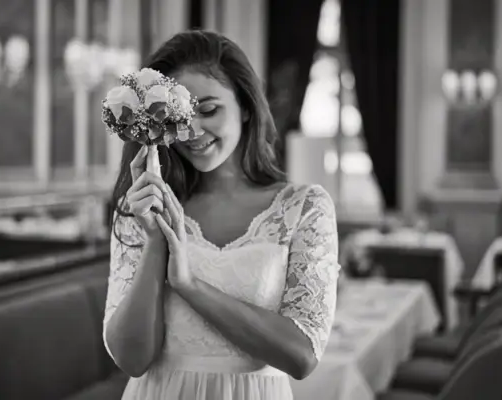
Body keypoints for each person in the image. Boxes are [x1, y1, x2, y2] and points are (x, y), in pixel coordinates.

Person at [103, 30, 340, 400]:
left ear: (245, 106)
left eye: (209, 109)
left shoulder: (304, 207)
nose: (193, 130)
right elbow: (132, 360)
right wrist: (155, 243)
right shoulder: (142, 206)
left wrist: (189, 285)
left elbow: (301, 356)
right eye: (177, 116)